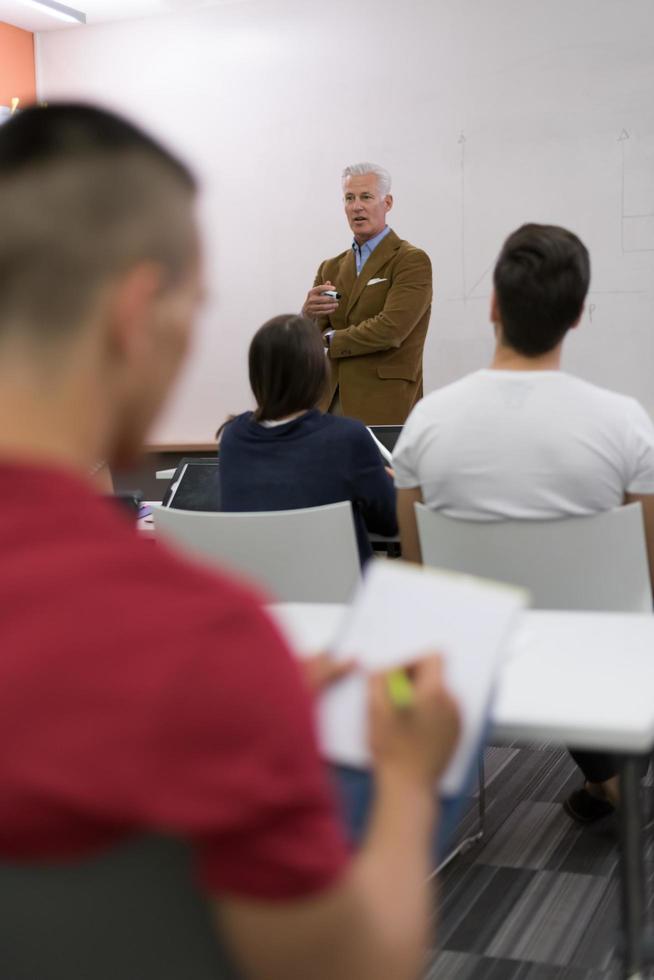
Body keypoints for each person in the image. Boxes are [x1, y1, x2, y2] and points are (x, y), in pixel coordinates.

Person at [0, 103, 461, 980]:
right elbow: (353, 964)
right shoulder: (204, 641)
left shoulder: (200, 640)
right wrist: (408, 777)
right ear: (138, 316)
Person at [392, 222, 654, 824]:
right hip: (594, 664)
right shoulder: (625, 423)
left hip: (468, 660)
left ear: (492, 306)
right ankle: (613, 771)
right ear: (578, 315)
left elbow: (416, 574)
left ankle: (602, 779)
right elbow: (643, 576)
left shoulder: (427, 423)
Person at [218, 314, 397, 565]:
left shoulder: (233, 436)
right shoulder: (348, 438)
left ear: (256, 373)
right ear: (318, 371)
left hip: (261, 596)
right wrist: (390, 483)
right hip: (344, 597)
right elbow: (390, 522)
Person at [302, 162, 432, 425]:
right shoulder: (331, 267)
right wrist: (306, 315)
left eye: (366, 197)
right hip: (329, 402)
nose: (356, 206)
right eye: (349, 198)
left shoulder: (410, 261)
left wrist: (331, 340)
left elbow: (391, 330)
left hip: (384, 403)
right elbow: (311, 339)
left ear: (387, 203)